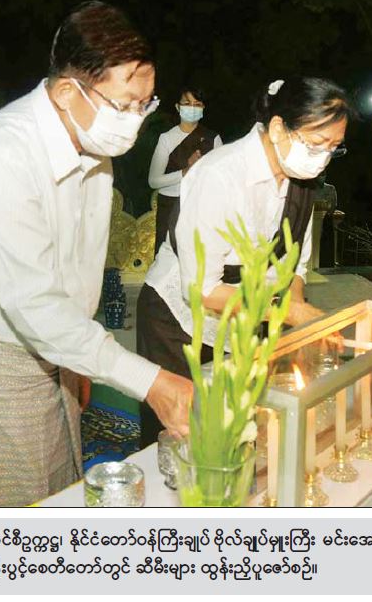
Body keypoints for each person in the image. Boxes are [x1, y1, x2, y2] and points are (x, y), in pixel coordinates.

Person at [0, 1, 193, 507]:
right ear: (66, 92)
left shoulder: (92, 147)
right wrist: (149, 381)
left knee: (55, 492)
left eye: (145, 105)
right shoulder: (0, 154)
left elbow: (77, 269)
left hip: (55, 349)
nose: (134, 120)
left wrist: (78, 361)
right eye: (125, 104)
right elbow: (32, 302)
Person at [136, 77, 355, 447]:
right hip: (177, 321)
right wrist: (288, 312)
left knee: (235, 428)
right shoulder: (220, 174)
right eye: (317, 144)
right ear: (278, 128)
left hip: (244, 316)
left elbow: (294, 262)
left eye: (334, 148)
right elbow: (202, 290)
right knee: (179, 438)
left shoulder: (300, 179)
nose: (323, 158)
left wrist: (297, 309)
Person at [148, 87, 223, 253]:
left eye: (197, 104)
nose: (192, 108)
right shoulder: (166, 138)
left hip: (200, 208)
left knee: (198, 258)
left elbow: (220, 182)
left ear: (203, 108)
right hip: (170, 206)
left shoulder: (213, 139)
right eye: (187, 103)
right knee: (166, 260)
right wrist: (185, 172)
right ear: (178, 107)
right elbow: (153, 181)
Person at [314, 170, 338, 267]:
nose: (321, 177)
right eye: (320, 175)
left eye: (323, 175)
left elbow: (333, 205)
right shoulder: (310, 189)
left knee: (326, 246)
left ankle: (326, 265)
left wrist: (327, 210)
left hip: (326, 221)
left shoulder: (330, 188)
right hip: (312, 221)